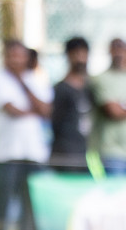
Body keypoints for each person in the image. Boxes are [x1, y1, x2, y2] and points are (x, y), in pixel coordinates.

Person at [0, 39, 52, 230]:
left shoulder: (36, 80)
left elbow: (46, 110)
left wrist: (24, 85)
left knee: (32, 211)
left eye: (20, 55)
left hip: (35, 154)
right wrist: (33, 107)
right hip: (8, 154)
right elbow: (13, 109)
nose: (16, 60)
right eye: (11, 55)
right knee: (2, 208)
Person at [49, 36, 92, 173]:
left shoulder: (92, 87)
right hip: (65, 155)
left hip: (87, 153)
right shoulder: (60, 89)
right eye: (76, 53)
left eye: (83, 53)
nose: (80, 58)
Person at [91, 38, 126, 177]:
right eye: (115, 49)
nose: (118, 53)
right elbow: (114, 111)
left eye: (121, 48)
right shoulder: (100, 78)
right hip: (112, 152)